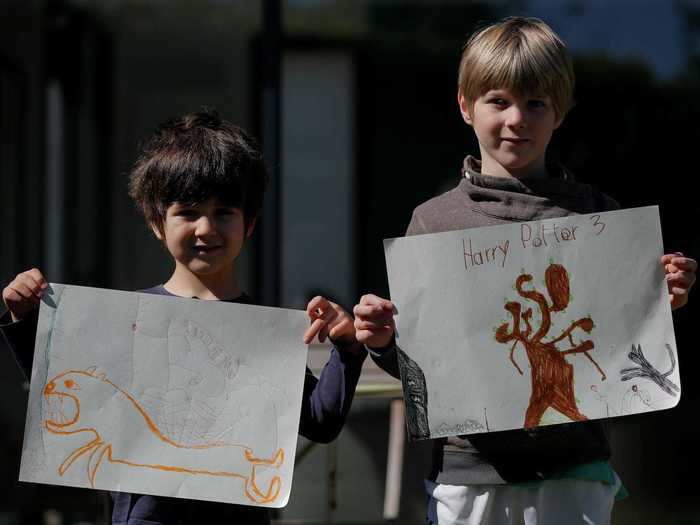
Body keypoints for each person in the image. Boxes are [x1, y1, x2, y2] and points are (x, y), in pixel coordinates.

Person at [352, 17, 697, 525]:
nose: (517, 118)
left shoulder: (598, 219)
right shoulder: (432, 222)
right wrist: (381, 340)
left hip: (576, 471)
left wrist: (662, 298)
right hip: (466, 473)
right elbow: (420, 369)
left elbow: (628, 346)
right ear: (465, 106)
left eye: (536, 103)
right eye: (499, 101)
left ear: (561, 113)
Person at [1, 111, 367, 525]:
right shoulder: (127, 320)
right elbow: (65, 394)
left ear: (250, 224)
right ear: (157, 222)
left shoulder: (264, 333)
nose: (206, 227)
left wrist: (347, 348)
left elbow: (319, 420)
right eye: (188, 212)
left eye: (224, 212)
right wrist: (27, 319)